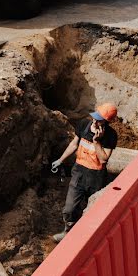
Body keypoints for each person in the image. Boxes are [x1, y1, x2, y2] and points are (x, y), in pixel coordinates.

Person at [50, 103, 119, 242]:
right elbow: (74, 144)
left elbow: (104, 159)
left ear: (106, 121)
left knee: (92, 209)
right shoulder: (83, 125)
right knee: (69, 209)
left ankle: (88, 238)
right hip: (79, 172)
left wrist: (97, 142)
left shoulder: (111, 135)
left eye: (99, 119)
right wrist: (61, 160)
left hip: (96, 177)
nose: (95, 120)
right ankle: (67, 232)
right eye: (95, 117)